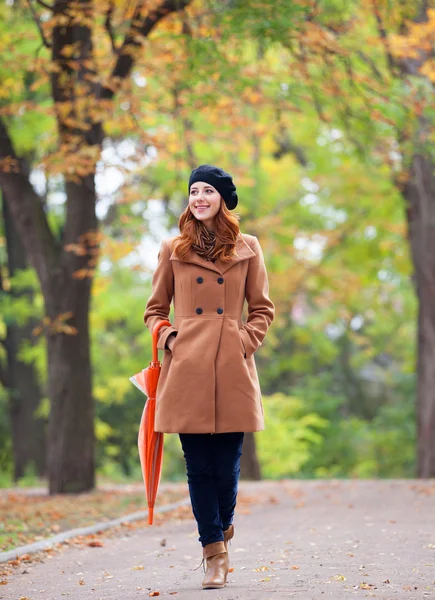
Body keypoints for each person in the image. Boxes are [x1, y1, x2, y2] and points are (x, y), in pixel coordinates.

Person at [144, 164, 275, 589]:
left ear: (222, 198)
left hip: (233, 368)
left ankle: (222, 522)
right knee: (198, 467)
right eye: (193, 190)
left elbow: (262, 309)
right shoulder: (173, 248)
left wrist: (242, 341)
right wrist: (171, 339)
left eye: (207, 191)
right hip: (187, 370)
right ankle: (213, 551)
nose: (199, 197)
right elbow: (153, 310)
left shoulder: (248, 247)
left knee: (227, 468)